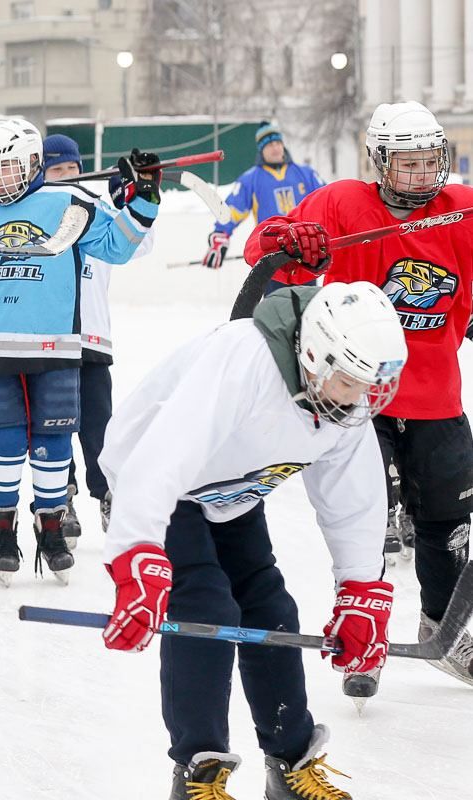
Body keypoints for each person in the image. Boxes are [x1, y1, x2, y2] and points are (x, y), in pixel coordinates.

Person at [97, 282, 405, 799]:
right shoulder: (243, 362)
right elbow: (164, 456)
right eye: (350, 381)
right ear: (313, 355)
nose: (360, 398)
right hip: (161, 486)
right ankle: (199, 770)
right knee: (206, 607)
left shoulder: (344, 401)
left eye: (369, 384)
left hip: (234, 489)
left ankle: (290, 763)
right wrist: (137, 553)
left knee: (271, 610)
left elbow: (353, 497)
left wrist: (359, 591)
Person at [244, 101, 473, 688]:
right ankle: (362, 631)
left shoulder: (462, 210)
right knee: (366, 522)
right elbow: (263, 251)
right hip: (356, 395)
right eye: (408, 164)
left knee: (449, 521)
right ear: (379, 162)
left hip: (435, 397)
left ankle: (443, 629)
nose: (423, 176)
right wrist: (290, 240)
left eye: (431, 163)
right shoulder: (343, 203)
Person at [0, 119, 159, 585]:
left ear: (32, 164)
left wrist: (144, 197)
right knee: (5, 442)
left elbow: (118, 246)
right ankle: (2, 526)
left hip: (56, 346)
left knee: (53, 446)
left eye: (7, 167)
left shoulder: (69, 203)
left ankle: (50, 525)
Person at [37, 134, 155, 546]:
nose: (67, 177)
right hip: (49, 339)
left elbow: (142, 245)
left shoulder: (98, 207)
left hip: (93, 338)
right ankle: (61, 498)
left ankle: (106, 493)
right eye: (56, 171)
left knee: (97, 426)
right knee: (54, 424)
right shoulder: (37, 212)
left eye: (72, 169)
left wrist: (129, 202)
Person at [202, 122, 324, 286]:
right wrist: (220, 235)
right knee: (275, 308)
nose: (275, 148)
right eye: (269, 145)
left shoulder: (306, 174)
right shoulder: (250, 179)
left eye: (277, 143)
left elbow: (327, 203)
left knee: (309, 308)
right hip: (272, 257)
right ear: (261, 149)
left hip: (306, 254)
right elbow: (232, 211)